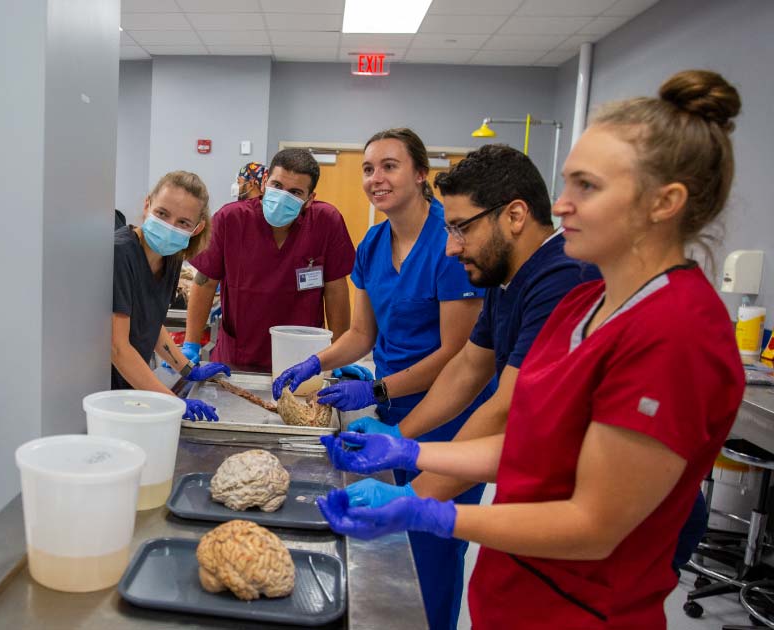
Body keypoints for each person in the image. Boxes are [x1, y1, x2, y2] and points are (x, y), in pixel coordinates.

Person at [316, 70, 746, 628]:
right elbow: (530, 444)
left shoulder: (677, 332)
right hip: (514, 592)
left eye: (586, 187)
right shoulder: (585, 308)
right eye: (566, 184)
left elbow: (593, 525)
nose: (560, 205)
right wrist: (411, 451)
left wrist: (431, 512)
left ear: (663, 203)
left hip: (581, 610)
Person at [272, 128, 489, 630]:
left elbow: (458, 355)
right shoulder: (372, 242)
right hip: (394, 411)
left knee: (432, 552)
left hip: (451, 419)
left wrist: (373, 388)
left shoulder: (448, 244)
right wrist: (316, 361)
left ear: (420, 174)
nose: (376, 178)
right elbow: (361, 333)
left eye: (389, 166)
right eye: (368, 168)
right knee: (394, 552)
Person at [345, 144, 598, 501]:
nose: (450, 247)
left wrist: (412, 496)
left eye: (461, 228)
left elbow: (505, 408)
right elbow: (467, 367)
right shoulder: (505, 277)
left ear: (514, 216)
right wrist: (399, 435)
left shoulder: (563, 279)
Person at [183, 148, 354, 370]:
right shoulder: (231, 219)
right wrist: (191, 343)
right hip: (238, 356)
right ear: (264, 182)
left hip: (305, 358)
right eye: (277, 186)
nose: (283, 196)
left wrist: (340, 352)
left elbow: (336, 290)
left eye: (295, 192)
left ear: (310, 199)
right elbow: (205, 282)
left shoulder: (326, 222)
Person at [112, 171, 230, 420]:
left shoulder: (171, 259)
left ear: (197, 228)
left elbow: (152, 324)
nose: (169, 227)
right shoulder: (120, 254)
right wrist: (172, 402)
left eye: (183, 223)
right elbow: (117, 347)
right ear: (147, 205)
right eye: (162, 214)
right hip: (105, 392)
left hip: (131, 390)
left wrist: (187, 368)